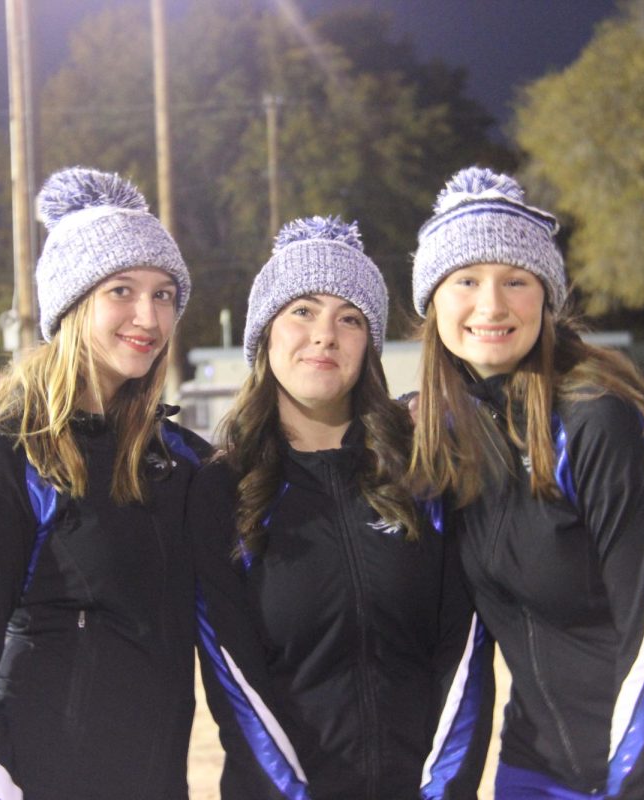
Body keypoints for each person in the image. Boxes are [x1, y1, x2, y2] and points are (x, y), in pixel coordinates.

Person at [408, 166, 644, 799]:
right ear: (432, 301)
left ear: (546, 299)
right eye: (466, 280)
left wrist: (632, 781)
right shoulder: (443, 433)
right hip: (542, 758)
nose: (491, 305)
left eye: (515, 281)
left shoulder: (598, 417)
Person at [0, 167, 212, 799]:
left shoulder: (178, 462)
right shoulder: (7, 457)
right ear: (73, 301)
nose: (149, 315)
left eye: (165, 294)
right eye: (122, 290)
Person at [192, 216, 493, 799]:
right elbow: (234, 684)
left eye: (349, 318)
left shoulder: (423, 473)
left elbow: (466, 654)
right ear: (265, 334)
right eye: (302, 311)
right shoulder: (221, 491)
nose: (325, 334)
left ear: (370, 346)